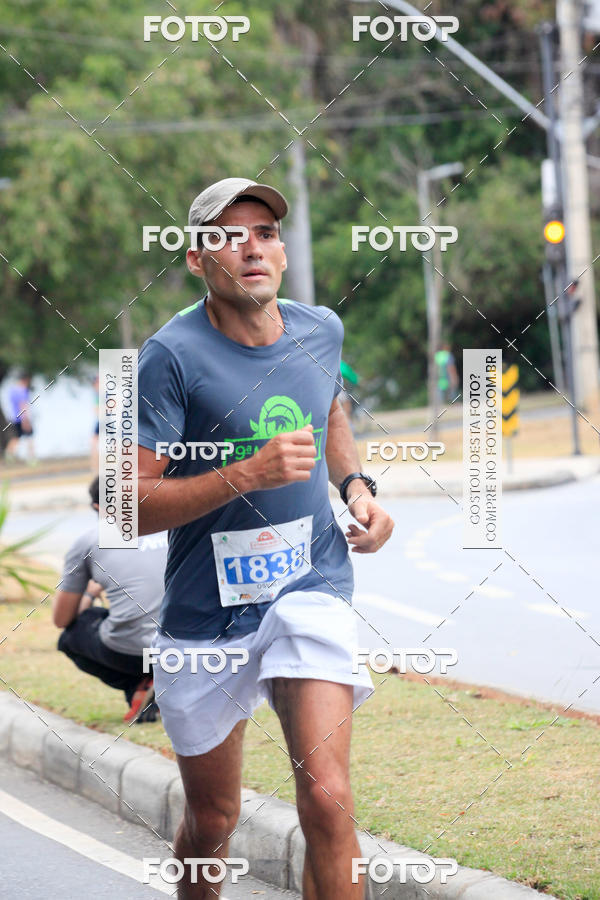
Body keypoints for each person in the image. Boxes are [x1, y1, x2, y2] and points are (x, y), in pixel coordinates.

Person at [136, 176, 394, 900]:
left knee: (328, 797)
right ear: (197, 259)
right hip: (206, 610)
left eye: (266, 233)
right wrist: (243, 474)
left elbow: (330, 411)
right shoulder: (169, 357)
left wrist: (357, 489)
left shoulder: (320, 330)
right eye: (228, 235)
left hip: (310, 583)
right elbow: (130, 506)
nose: (251, 247)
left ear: (282, 252)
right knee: (214, 816)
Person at [53, 477, 168, 722]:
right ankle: (147, 692)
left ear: (97, 507)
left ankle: (138, 684)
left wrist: (91, 593)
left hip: (131, 654)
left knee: (70, 638)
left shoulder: (89, 540)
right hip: (188, 647)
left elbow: (63, 619)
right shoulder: (171, 526)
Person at [6, 373, 35, 463]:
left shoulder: (12, 390)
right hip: (22, 418)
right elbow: (23, 405)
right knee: (30, 437)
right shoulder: (22, 391)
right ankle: (31, 459)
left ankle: (9, 457)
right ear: (25, 380)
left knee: (16, 438)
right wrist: (25, 420)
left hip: (14, 418)